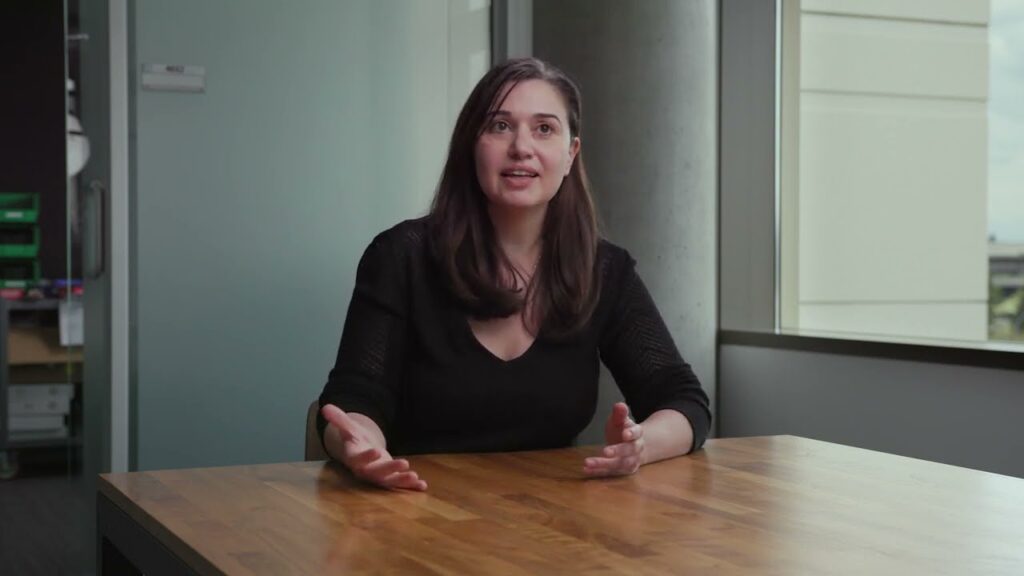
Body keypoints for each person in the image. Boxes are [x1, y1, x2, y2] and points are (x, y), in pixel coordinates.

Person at [318, 57, 710, 491]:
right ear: (472, 146)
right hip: (415, 511)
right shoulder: (401, 257)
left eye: (544, 129)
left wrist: (643, 445)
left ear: (570, 154)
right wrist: (361, 444)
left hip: (550, 524)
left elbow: (683, 399)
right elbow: (356, 398)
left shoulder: (605, 271)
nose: (521, 146)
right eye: (500, 126)